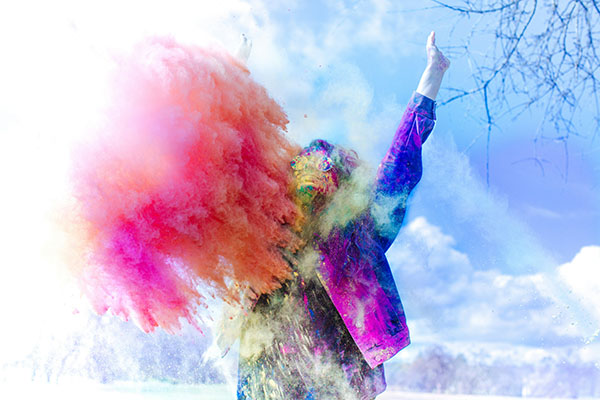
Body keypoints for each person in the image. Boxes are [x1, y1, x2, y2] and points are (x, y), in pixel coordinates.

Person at [235, 31, 449, 400]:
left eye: (323, 175)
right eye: (304, 176)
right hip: (272, 374)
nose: (312, 188)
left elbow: (400, 164)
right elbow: (236, 162)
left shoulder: (360, 234)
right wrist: (233, 77)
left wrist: (432, 78)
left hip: (336, 379)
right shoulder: (273, 228)